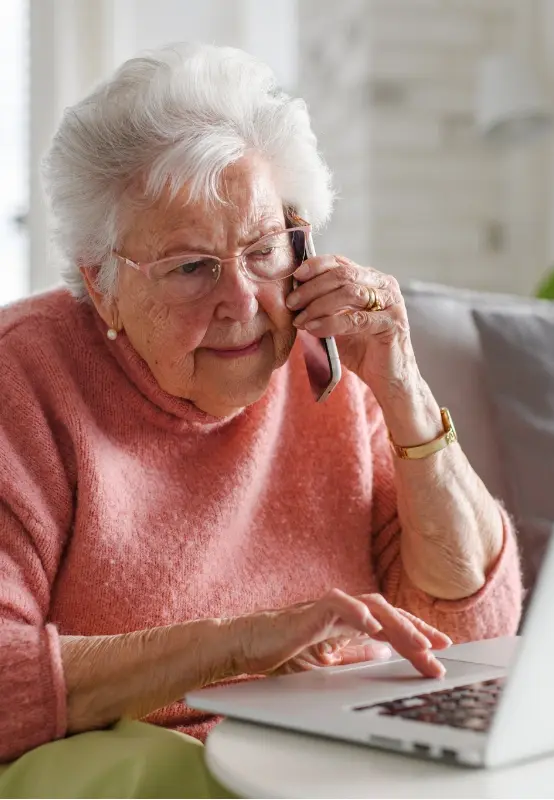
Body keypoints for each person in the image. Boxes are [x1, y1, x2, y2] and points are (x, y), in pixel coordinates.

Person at [0, 43, 522, 793]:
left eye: (263, 250)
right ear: (103, 284)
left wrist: (401, 387)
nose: (242, 302)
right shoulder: (24, 381)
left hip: (337, 760)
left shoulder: (332, 370)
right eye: (190, 267)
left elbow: (470, 636)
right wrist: (235, 646)